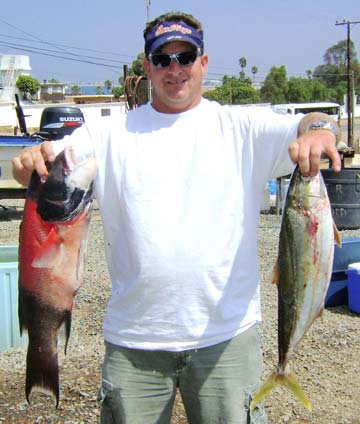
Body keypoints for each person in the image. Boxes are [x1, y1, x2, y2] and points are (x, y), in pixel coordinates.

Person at [12, 11, 341, 424]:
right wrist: (26, 165)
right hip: (134, 343)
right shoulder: (108, 134)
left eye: (185, 56)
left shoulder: (241, 127)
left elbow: (314, 122)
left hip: (227, 339)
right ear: (147, 65)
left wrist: (322, 131)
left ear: (203, 62)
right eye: (162, 58)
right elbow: (42, 165)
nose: (175, 68)